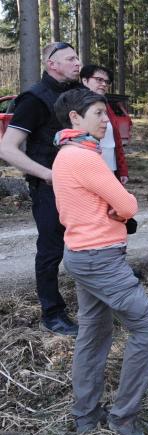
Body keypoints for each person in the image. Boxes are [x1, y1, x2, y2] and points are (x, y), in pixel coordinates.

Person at [51, 89, 148, 435]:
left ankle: (86, 416)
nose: (106, 121)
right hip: (99, 259)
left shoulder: (68, 154)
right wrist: (120, 207)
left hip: (84, 255)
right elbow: (127, 204)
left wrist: (114, 207)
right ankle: (123, 417)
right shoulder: (83, 158)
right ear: (74, 118)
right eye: (99, 113)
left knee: (93, 335)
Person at [0, 42, 81, 336]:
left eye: (77, 57)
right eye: (70, 59)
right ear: (52, 64)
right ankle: (52, 312)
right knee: (50, 250)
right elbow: (7, 148)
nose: (77, 63)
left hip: (79, 184)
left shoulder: (73, 94)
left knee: (85, 243)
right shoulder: (34, 98)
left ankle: (92, 300)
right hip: (49, 186)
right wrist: (48, 175)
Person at [80, 64, 130, 184]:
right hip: (88, 170)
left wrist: (122, 170)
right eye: (99, 80)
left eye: (106, 82)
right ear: (85, 80)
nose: (104, 84)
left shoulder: (106, 106)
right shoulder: (77, 105)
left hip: (110, 167)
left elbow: (116, 140)